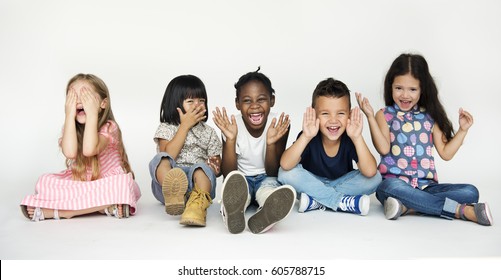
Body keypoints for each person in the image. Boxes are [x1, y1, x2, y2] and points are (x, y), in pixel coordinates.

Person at [356, 53, 493, 225]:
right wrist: (369, 116)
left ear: (422, 89)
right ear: (390, 86)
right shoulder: (384, 115)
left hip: (427, 187)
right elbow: (383, 149)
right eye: (399, 88)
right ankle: (460, 211)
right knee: (390, 188)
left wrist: (462, 130)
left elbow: (446, 153)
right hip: (394, 185)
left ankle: (409, 207)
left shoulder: (429, 116)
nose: (405, 95)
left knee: (470, 192)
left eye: (412, 89)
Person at [20, 73, 141, 221]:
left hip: (107, 184)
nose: (78, 100)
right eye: (72, 96)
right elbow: (70, 153)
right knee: (44, 181)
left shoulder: (109, 127)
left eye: (85, 95)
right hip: (80, 184)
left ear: (103, 103)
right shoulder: (70, 129)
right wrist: (69, 115)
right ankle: (105, 206)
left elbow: (89, 150)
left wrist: (91, 114)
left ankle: (62, 212)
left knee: (124, 184)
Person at [279, 78, 381, 215]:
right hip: (311, 181)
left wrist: (357, 138)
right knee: (285, 173)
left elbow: (370, 172)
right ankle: (340, 201)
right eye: (325, 113)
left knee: (376, 178)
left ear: (349, 114)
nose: (333, 120)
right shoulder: (309, 135)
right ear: (314, 114)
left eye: (340, 113)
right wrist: (306, 136)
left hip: (331, 186)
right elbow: (285, 164)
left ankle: (315, 201)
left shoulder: (349, 138)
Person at [213, 68, 296, 234]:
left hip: (267, 178)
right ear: (237, 104)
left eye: (261, 99)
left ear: (272, 100)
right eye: (247, 101)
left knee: (269, 191)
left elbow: (273, 171)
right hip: (240, 180)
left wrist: (271, 143)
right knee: (237, 194)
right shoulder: (232, 126)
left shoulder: (278, 124)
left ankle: (266, 213)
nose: (255, 106)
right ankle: (232, 212)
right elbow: (228, 173)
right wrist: (230, 139)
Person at [149, 74, 222, 227]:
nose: (198, 105)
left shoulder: (209, 132)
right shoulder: (166, 128)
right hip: (168, 184)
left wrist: (214, 166)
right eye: (190, 101)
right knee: (160, 159)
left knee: (201, 169)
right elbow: (169, 155)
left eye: (201, 101)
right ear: (175, 104)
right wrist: (184, 126)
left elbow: (216, 166)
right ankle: (174, 195)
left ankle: (196, 208)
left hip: (197, 184)